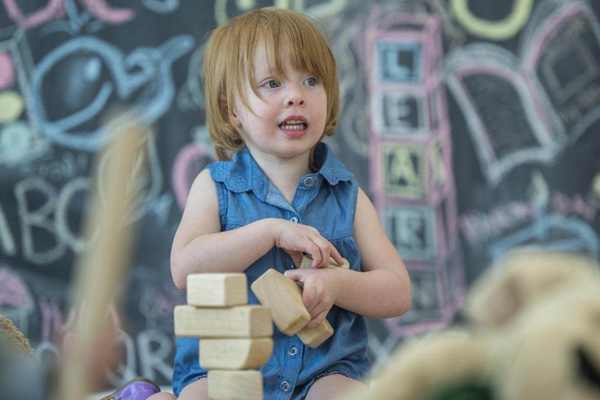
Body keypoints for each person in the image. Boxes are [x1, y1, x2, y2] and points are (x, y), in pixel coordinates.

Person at [148, 6, 412, 400]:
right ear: (230, 110)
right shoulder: (215, 187)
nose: (295, 96)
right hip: (224, 368)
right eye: (272, 83)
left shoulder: (348, 197)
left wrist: (337, 283)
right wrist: (270, 231)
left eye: (310, 80)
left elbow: (398, 292)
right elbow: (184, 268)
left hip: (324, 370)